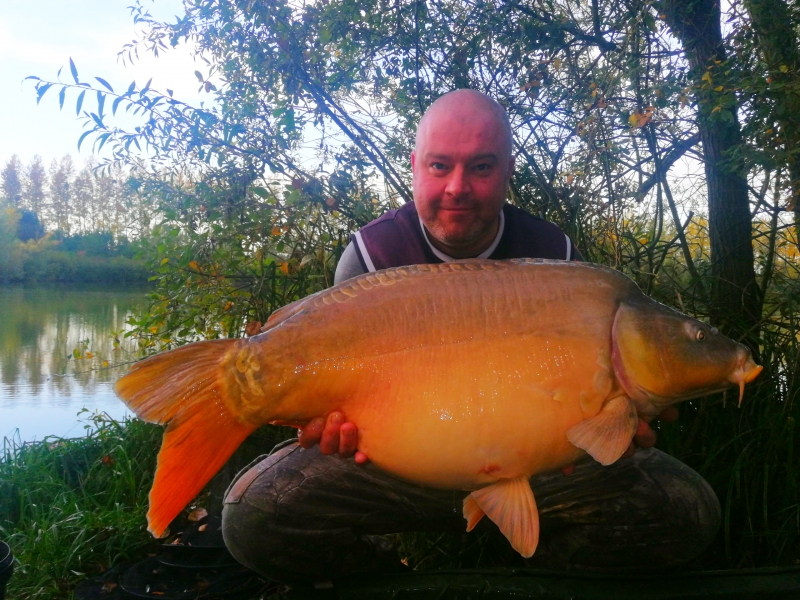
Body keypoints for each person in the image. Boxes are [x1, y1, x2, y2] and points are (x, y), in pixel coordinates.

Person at [221, 90, 720, 584]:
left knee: (686, 512)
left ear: (506, 171)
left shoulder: (552, 252)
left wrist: (615, 429)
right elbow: (335, 407)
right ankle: (396, 581)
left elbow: (591, 403)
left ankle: (530, 578)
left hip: (542, 470)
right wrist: (327, 427)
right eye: (440, 166)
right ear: (415, 166)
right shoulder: (372, 254)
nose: (457, 186)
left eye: (481, 167)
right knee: (254, 518)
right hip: (396, 469)